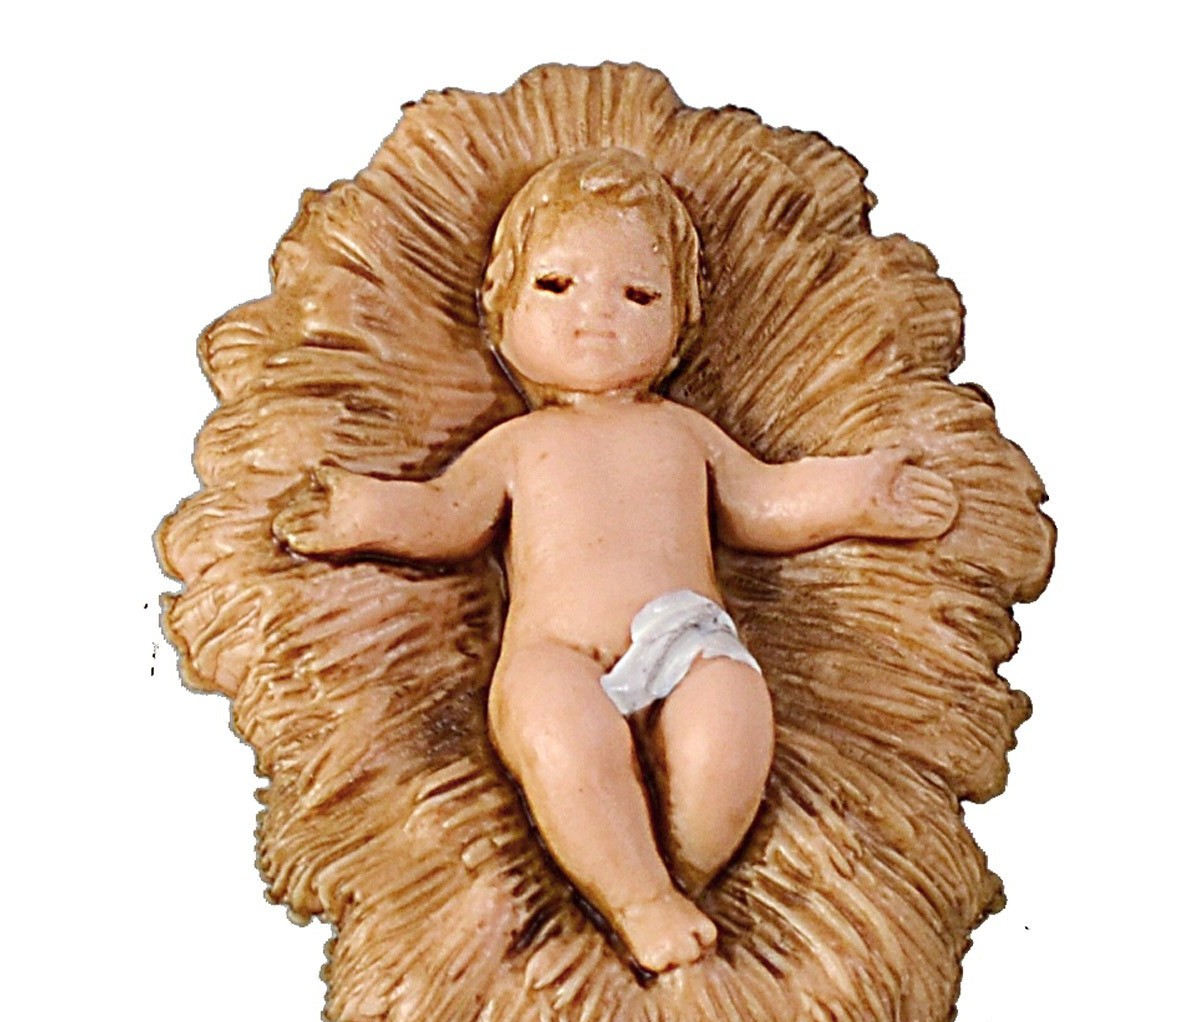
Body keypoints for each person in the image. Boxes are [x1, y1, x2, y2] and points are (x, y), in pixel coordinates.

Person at [273, 148, 959, 973]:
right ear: (500, 305)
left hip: (687, 637)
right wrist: (358, 510)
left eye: (636, 295)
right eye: (556, 286)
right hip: (555, 653)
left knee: (731, 715)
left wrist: (865, 494)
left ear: (680, 326)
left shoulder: (681, 432)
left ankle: (682, 869)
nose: (595, 314)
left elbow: (763, 501)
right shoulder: (521, 444)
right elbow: (447, 515)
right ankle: (636, 900)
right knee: (559, 731)